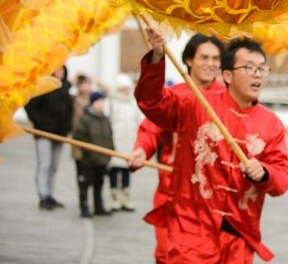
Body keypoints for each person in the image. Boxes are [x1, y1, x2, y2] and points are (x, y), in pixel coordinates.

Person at [135, 26, 288, 263]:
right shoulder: (195, 104)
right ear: (227, 75)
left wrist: (265, 173)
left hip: (239, 234)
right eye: (249, 68)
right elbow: (151, 103)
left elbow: (283, 176)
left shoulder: (271, 124)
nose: (258, 75)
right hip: (191, 228)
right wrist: (157, 55)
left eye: (262, 68)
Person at [129, 33, 226, 263]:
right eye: (204, 57)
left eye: (215, 59)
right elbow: (151, 128)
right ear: (189, 60)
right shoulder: (175, 96)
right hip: (173, 193)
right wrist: (142, 149)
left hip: (215, 199)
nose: (210, 64)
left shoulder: (229, 98)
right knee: (170, 255)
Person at [24, 66, 73, 210]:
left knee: (54, 166)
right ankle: (43, 195)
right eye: (58, 70)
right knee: (44, 165)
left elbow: (69, 111)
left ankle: (50, 194)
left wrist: (67, 128)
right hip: (44, 133)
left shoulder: (66, 88)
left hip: (60, 135)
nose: (60, 72)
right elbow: (30, 106)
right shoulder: (45, 86)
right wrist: (40, 123)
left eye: (62, 70)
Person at [73, 91, 115, 217]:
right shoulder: (85, 119)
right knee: (85, 184)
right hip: (89, 159)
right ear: (92, 103)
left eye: (102, 102)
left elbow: (109, 137)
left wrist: (110, 152)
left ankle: (98, 206)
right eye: (98, 102)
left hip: (102, 159)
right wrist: (89, 151)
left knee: (99, 184)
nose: (101, 104)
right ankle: (84, 207)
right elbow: (79, 137)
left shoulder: (105, 119)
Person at [107, 73, 142, 211]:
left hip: (130, 143)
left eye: (128, 88)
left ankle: (125, 197)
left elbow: (140, 122)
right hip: (115, 142)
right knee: (115, 169)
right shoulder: (111, 103)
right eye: (123, 89)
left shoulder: (133, 104)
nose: (126, 91)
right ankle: (115, 197)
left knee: (127, 170)